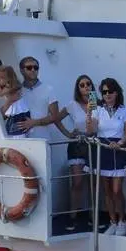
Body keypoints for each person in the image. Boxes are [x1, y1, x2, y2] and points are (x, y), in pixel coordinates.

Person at [87, 78, 126, 236]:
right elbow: (91, 131)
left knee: (117, 189)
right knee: (106, 190)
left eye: (110, 91)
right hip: (103, 149)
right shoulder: (96, 110)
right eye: (104, 92)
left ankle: (123, 221)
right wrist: (89, 113)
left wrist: (119, 143)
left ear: (116, 92)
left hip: (118, 150)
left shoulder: (125, 110)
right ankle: (113, 221)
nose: (107, 94)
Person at [54, 75, 97, 231]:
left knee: (93, 184)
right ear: (78, 89)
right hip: (77, 145)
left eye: (88, 84)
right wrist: (67, 133)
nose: (86, 87)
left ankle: (94, 218)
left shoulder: (97, 105)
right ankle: (72, 217)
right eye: (82, 85)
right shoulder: (72, 105)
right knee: (77, 182)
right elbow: (56, 118)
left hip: (93, 144)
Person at [16, 57, 59, 139]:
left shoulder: (48, 89)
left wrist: (34, 123)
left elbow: (55, 116)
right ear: (22, 70)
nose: (33, 70)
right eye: (29, 67)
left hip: (43, 139)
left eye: (36, 68)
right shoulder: (18, 92)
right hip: (23, 140)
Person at [0, 66, 31, 139]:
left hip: (18, 112)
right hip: (14, 113)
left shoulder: (13, 85)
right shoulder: (6, 85)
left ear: (9, 78)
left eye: (1, 78)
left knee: (17, 134)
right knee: (12, 132)